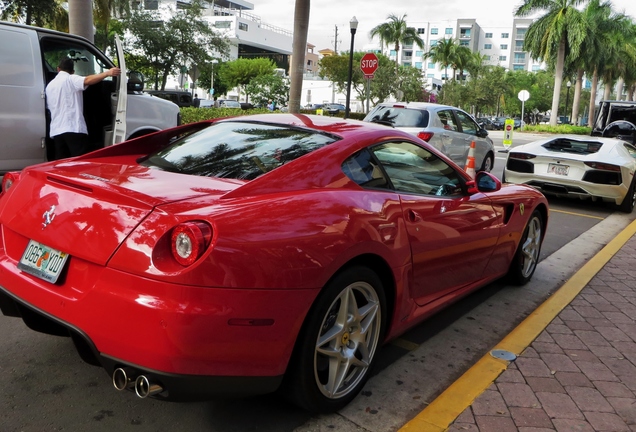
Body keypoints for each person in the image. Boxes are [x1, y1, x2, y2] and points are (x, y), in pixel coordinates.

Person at [45, 58, 121, 160]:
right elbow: (87, 80)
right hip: (73, 128)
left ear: (58, 69)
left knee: (61, 163)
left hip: (56, 131)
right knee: (80, 163)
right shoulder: (71, 79)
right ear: (72, 71)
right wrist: (107, 73)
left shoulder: (49, 86)